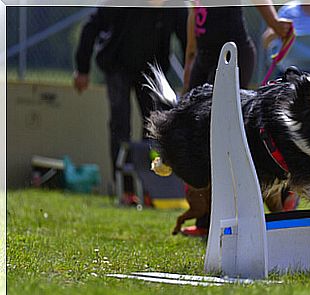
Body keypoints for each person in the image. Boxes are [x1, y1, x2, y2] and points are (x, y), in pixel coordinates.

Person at [180, 2, 294, 237]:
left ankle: (282, 193)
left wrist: (274, 23)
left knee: (223, 137)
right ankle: (207, 218)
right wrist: (190, 59)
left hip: (233, 55)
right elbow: (195, 12)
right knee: (197, 137)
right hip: (204, 58)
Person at [73, 7, 187, 192]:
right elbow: (91, 25)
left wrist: (191, 75)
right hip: (118, 64)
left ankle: (150, 187)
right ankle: (124, 189)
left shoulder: (173, 6)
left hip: (151, 68)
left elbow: (187, 39)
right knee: (120, 125)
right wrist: (82, 68)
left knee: (155, 126)